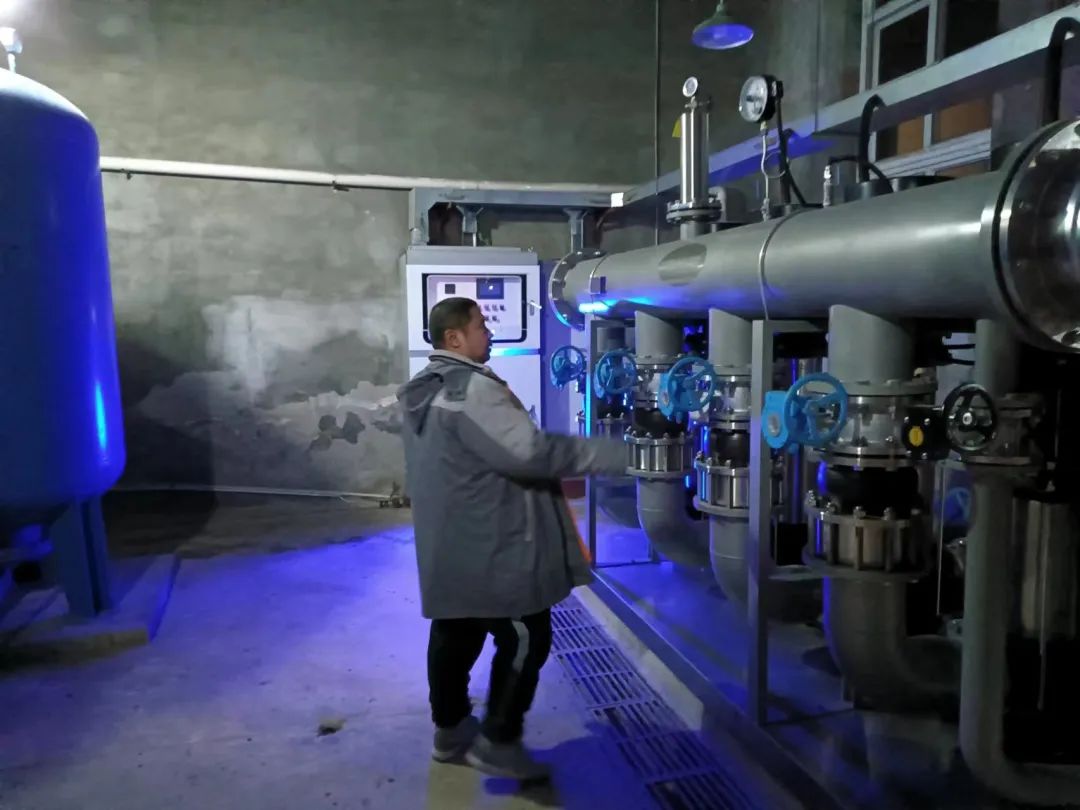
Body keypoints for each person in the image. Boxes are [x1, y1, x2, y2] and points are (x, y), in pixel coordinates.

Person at [397, 296, 627, 781]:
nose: (490, 332)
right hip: (494, 542)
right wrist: (615, 454)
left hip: (451, 541)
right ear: (454, 338)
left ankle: (450, 731)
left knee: (455, 631)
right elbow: (530, 453)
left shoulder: (426, 388)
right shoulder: (472, 390)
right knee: (527, 635)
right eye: (481, 325)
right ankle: (499, 743)